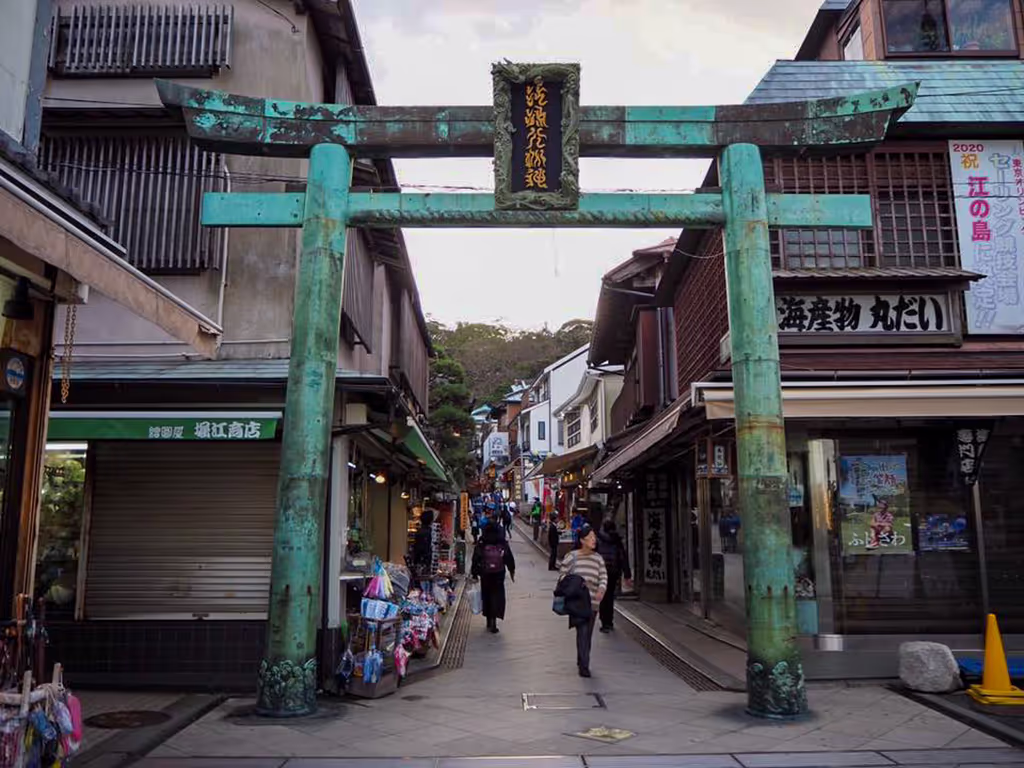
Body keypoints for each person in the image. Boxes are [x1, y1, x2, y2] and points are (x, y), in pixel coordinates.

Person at [558, 524, 607, 677]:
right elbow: (562, 576)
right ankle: (584, 665)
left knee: (588, 633)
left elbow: (603, 577)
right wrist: (576, 583)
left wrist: (601, 590)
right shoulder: (572, 557)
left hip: (593, 603)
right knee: (582, 631)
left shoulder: (598, 559)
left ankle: (582, 659)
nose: (594, 540)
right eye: (590, 537)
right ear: (582, 540)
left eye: (594, 537)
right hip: (578, 602)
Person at [471, 522, 516, 633]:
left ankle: (488, 619)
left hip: (485, 573)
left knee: (486, 595)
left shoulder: (482, 541)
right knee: (497, 595)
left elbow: (476, 557)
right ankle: (494, 621)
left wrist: (475, 573)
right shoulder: (501, 541)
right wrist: (511, 570)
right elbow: (508, 556)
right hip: (499, 573)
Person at [596, 519, 632, 633]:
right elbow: (623, 558)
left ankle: (604, 622)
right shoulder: (617, 541)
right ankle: (609, 621)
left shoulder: (598, 540)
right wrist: (627, 574)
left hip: (601, 572)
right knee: (610, 596)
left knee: (603, 596)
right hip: (613, 572)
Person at [411, 509, 435, 578]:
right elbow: (424, 548)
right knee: (424, 577)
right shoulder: (428, 532)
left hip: (420, 560)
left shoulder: (420, 531)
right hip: (424, 561)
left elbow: (416, 547)